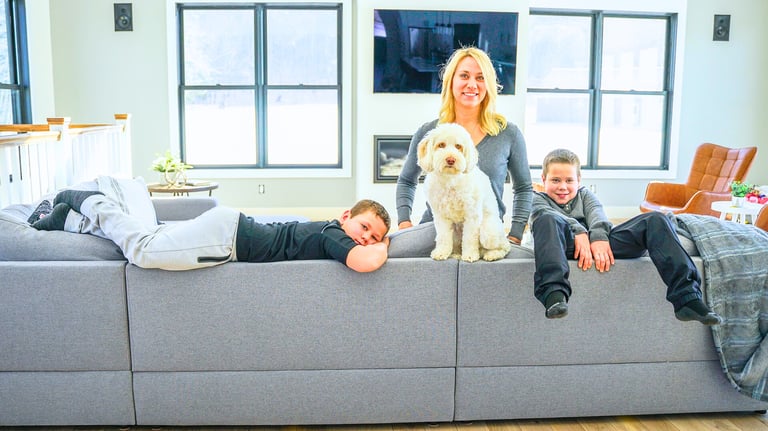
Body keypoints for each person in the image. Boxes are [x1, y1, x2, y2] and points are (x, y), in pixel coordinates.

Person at [529, 148, 722, 325]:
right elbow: (546, 214)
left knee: (655, 219)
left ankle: (687, 298)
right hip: (561, 247)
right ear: (544, 179)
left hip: (600, 247)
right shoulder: (536, 199)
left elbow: (597, 214)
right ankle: (554, 295)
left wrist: (598, 237)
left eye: (569, 180)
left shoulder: (585, 195)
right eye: (555, 180)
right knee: (546, 220)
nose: (563, 186)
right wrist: (579, 231)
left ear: (578, 180)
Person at [32, 190, 391, 273]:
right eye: (365, 228)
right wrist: (386, 245)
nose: (366, 239)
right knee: (143, 251)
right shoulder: (333, 233)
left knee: (151, 242)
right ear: (346, 216)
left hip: (228, 231)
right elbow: (364, 263)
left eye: (374, 237)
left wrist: (379, 241)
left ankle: (70, 220)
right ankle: (91, 201)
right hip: (226, 238)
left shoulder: (334, 231)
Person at [395, 46, 532, 244]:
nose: (472, 84)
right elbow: (407, 180)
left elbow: (524, 188)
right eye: (464, 76)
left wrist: (515, 235)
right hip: (435, 234)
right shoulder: (429, 132)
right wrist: (404, 223)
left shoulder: (509, 134)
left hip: (484, 235)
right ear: (451, 81)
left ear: (489, 84)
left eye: (480, 77)